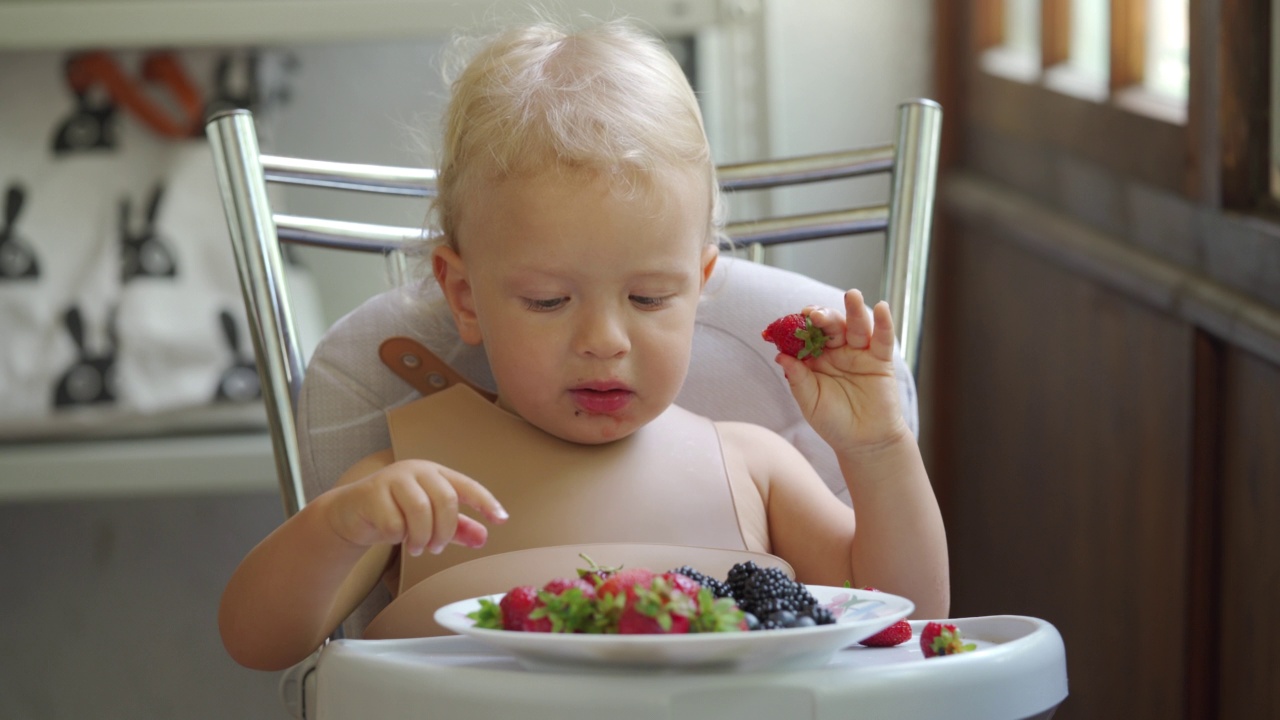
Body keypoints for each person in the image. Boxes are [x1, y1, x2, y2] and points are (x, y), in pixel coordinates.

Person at [218, 17, 949, 672]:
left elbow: (904, 618)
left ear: (698, 287)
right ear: (466, 296)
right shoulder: (415, 484)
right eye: (548, 300)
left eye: (649, 298)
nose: (603, 342)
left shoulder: (753, 466)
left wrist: (879, 451)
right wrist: (341, 524)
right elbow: (260, 644)